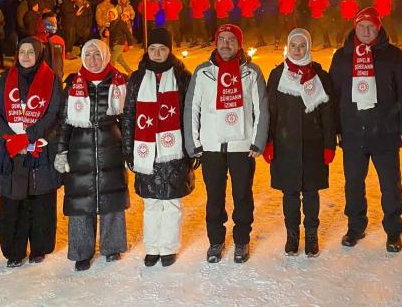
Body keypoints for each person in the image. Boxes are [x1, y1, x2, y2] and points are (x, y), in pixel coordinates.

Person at [329, 7, 402, 252]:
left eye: (371, 27)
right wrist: (335, 127)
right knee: (354, 183)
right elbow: (334, 95)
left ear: (379, 28)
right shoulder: (342, 56)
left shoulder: (393, 55)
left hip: (385, 130)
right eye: (361, 27)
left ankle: (393, 230)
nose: (366, 31)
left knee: (390, 184)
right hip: (353, 130)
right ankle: (355, 226)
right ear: (354, 28)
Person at [184, 24, 268, 264]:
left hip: (242, 147)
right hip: (212, 147)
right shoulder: (203, 72)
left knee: (242, 195)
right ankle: (216, 240)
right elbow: (192, 108)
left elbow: (261, 108)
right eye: (222, 39)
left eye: (231, 39)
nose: (226, 44)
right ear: (216, 42)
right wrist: (194, 144)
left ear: (239, 44)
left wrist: (257, 140)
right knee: (214, 197)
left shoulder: (251, 72)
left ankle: (241, 239)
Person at [121, 28, 196, 267]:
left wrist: (193, 148)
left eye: (162, 49)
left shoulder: (183, 77)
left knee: (172, 203)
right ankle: (152, 247)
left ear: (169, 50)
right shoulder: (137, 78)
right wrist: (128, 149)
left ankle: (169, 247)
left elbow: (192, 114)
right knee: (151, 203)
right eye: (152, 49)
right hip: (147, 150)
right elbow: (129, 115)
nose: (157, 53)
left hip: (174, 152)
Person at [0, 38, 63, 267]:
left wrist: (29, 137)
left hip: (39, 147)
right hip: (11, 151)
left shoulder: (52, 81)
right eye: (22, 52)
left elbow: (53, 113)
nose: (26, 56)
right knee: (13, 200)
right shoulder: (4, 80)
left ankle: (39, 247)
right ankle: (14, 251)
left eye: (31, 52)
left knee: (40, 198)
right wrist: (11, 138)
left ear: (39, 55)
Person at [55, 39, 130, 271]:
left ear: (106, 56)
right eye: (88, 55)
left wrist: (128, 149)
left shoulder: (119, 81)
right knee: (80, 200)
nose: (93, 60)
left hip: (111, 145)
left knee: (112, 197)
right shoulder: (73, 83)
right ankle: (81, 250)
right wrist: (61, 150)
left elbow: (126, 119)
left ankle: (112, 246)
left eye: (97, 55)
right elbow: (65, 120)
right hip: (80, 147)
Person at [265, 28, 336, 257]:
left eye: (302, 45)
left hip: (313, 145)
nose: (297, 50)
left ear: (308, 47)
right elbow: (271, 111)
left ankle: (312, 235)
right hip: (286, 145)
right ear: (288, 47)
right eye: (293, 46)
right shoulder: (277, 75)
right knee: (290, 194)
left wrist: (329, 144)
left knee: (312, 193)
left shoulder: (319, 76)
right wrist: (269, 142)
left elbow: (328, 113)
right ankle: (292, 235)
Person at [35, 12, 66, 81]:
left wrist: (60, 74)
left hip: (56, 79)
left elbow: (62, 60)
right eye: (50, 22)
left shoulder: (59, 40)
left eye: (55, 22)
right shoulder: (35, 41)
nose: (54, 24)